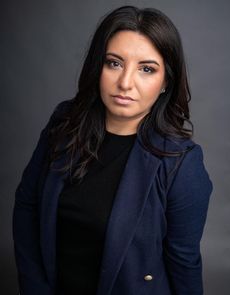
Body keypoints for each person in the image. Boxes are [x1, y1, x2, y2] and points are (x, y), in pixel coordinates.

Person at [13, 5, 213, 295]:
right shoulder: (64, 124)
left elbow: (184, 262)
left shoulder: (181, 162)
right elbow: (28, 206)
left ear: (165, 83)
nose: (125, 83)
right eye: (114, 63)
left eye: (146, 69)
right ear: (98, 67)